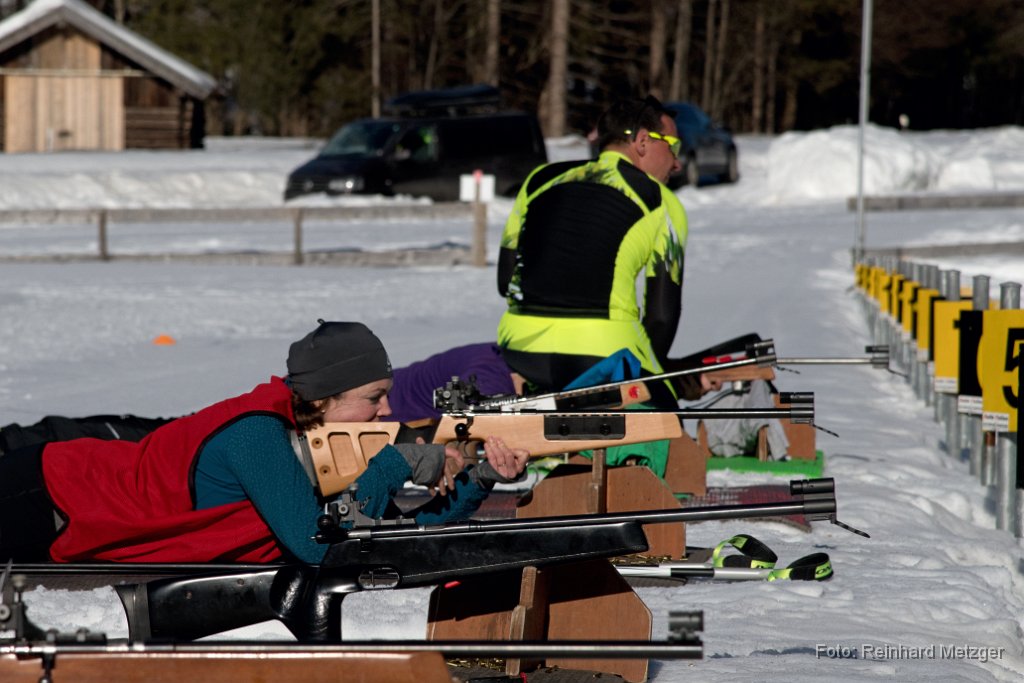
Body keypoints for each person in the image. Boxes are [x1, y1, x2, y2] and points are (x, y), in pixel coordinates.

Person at [0, 321, 528, 564]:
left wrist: (482, 478)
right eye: (375, 397)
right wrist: (392, 464)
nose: (388, 411)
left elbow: (391, 536)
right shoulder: (258, 436)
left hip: (67, 511)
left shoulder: (321, 445)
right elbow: (318, 549)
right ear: (324, 397)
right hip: (47, 494)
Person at [497, 94, 715, 405]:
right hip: (601, 356)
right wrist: (651, 381)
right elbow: (662, 315)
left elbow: (506, 281)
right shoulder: (661, 202)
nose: (677, 163)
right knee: (669, 434)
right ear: (642, 141)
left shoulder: (538, 180)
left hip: (519, 350)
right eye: (673, 146)